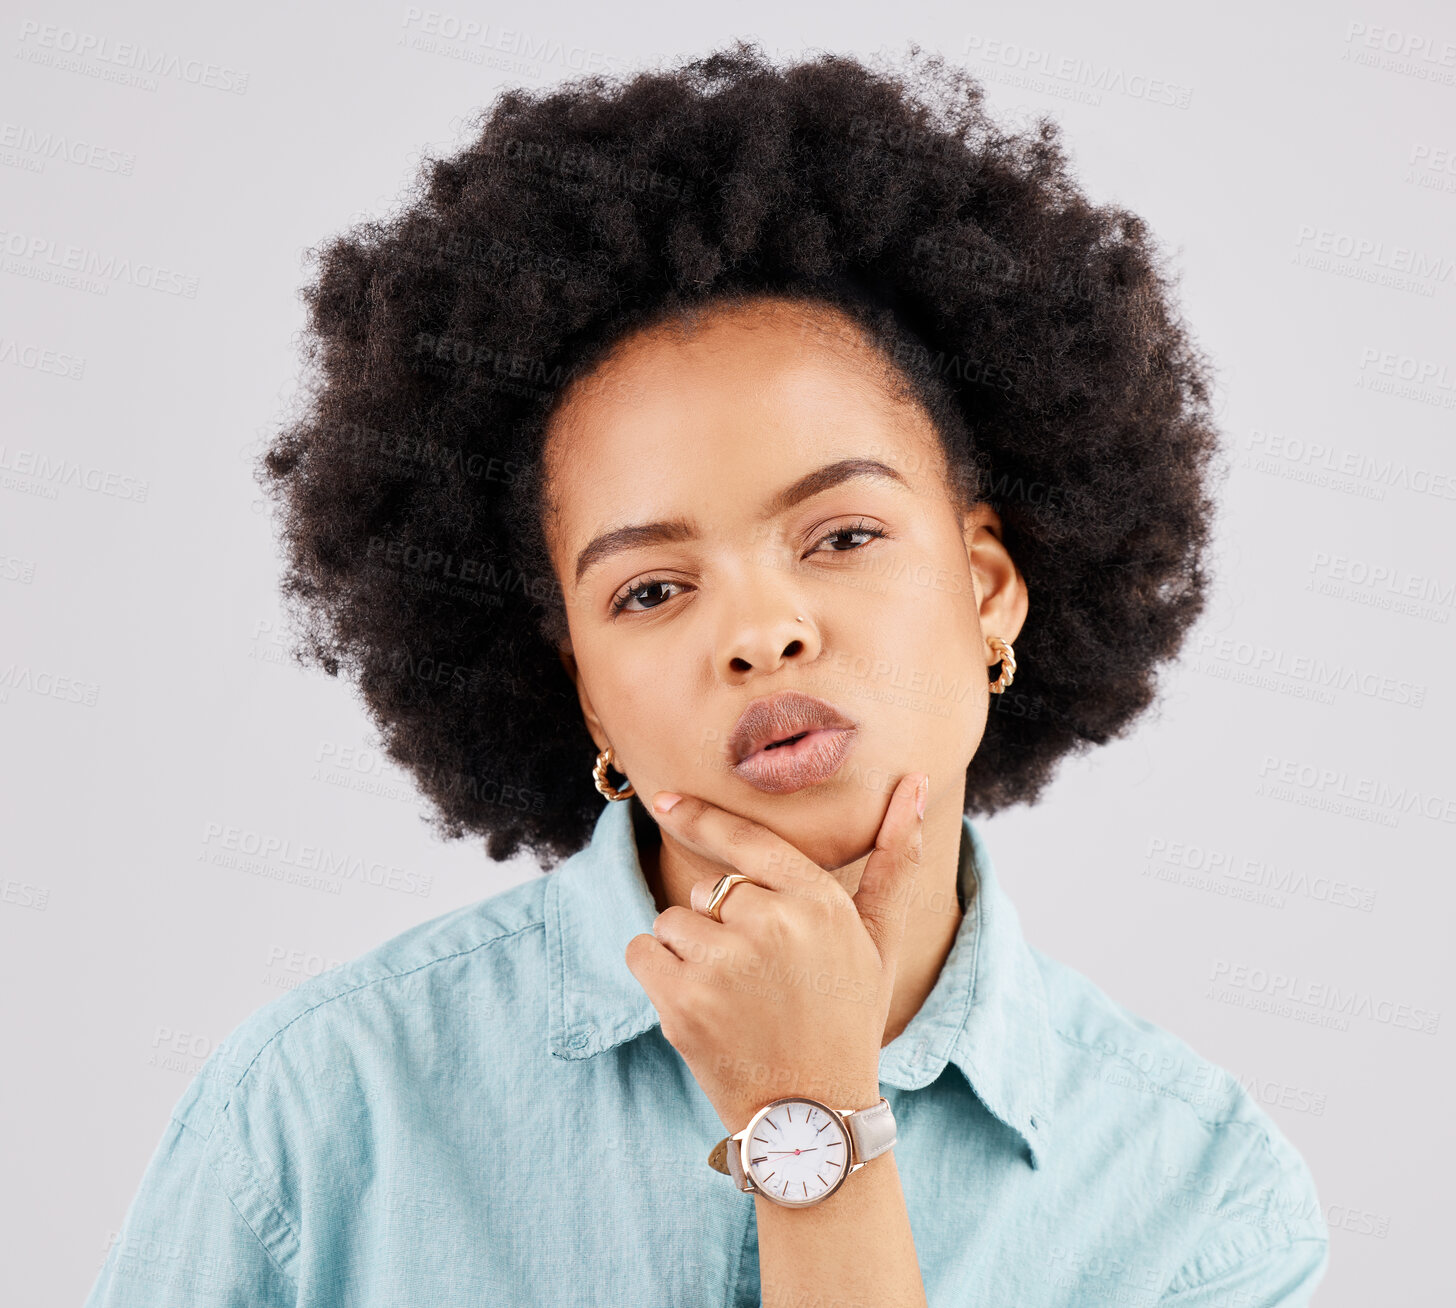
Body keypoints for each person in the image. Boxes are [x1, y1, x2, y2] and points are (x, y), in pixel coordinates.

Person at [85, 41, 1328, 1308]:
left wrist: (816, 1115)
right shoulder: (320, 1117)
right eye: (651, 591)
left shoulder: (1199, 1202)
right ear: (585, 694)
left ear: (989, 587)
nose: (761, 633)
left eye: (841, 536)